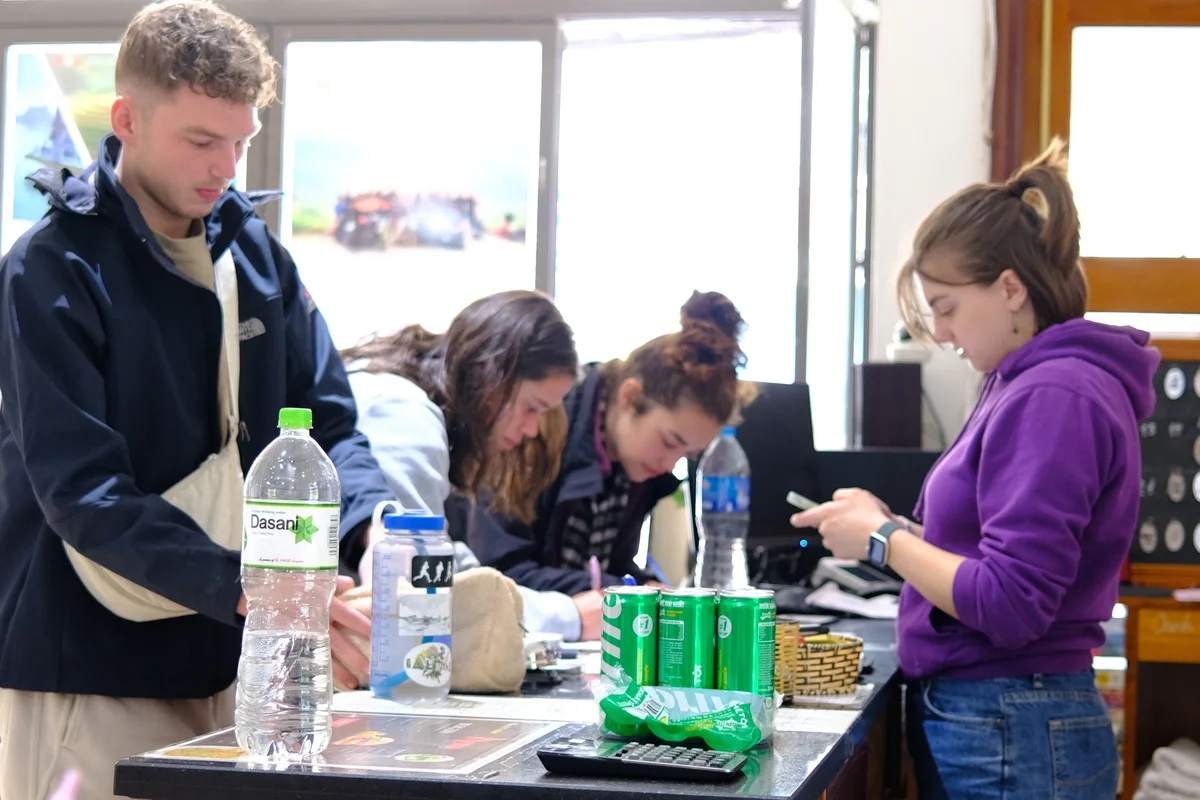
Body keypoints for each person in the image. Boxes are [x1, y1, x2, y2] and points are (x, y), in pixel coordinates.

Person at [0, 2, 396, 798]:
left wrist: (375, 528)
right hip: (91, 676)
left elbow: (331, 422)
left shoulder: (255, 251)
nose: (226, 167)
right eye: (202, 140)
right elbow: (84, 494)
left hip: (241, 666)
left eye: (242, 142)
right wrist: (257, 587)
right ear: (127, 119)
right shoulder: (50, 270)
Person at [790, 139, 1157, 800]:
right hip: (1001, 718)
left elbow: (1012, 602)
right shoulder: (1025, 384)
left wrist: (885, 539)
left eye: (948, 307)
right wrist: (889, 525)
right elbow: (986, 556)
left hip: (1011, 720)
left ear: (1010, 289)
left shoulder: (1054, 396)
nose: (943, 332)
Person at [467, 291, 756, 638]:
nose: (669, 465)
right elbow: (498, 573)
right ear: (630, 396)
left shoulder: (635, 469)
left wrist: (641, 587)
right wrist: (622, 589)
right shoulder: (536, 425)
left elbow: (607, 567)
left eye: (687, 455)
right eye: (670, 442)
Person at [341, 290, 587, 639]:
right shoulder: (406, 415)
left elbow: (447, 564)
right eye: (531, 407)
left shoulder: (412, 401)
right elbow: (419, 588)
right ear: (492, 376)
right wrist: (569, 616)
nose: (532, 429)